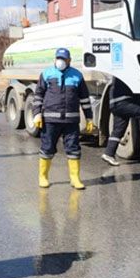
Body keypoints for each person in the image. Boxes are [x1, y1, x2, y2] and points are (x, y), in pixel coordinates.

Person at [32, 47, 93, 190]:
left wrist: (89, 117)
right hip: (50, 120)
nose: (60, 61)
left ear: (69, 60)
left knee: (74, 149)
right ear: (54, 59)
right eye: (58, 58)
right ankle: (43, 176)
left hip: (71, 121)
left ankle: (75, 178)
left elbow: (84, 98)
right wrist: (37, 114)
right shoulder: (46, 74)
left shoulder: (77, 75)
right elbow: (38, 95)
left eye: (64, 59)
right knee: (47, 148)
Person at [101, 76, 140, 167]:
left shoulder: (118, 74)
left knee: (118, 131)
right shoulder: (126, 72)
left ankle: (108, 154)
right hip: (123, 102)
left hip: (115, 103)